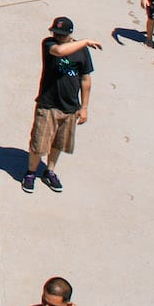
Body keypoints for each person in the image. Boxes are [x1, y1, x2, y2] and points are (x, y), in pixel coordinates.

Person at [23, 17, 100, 193]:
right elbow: (59, 51)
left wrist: (84, 107)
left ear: (70, 34)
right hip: (48, 104)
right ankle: (31, 172)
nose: (57, 36)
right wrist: (85, 41)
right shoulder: (49, 44)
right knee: (39, 143)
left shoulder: (82, 52)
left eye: (61, 34)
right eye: (55, 33)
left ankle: (49, 171)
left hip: (70, 107)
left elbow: (86, 80)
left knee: (59, 143)